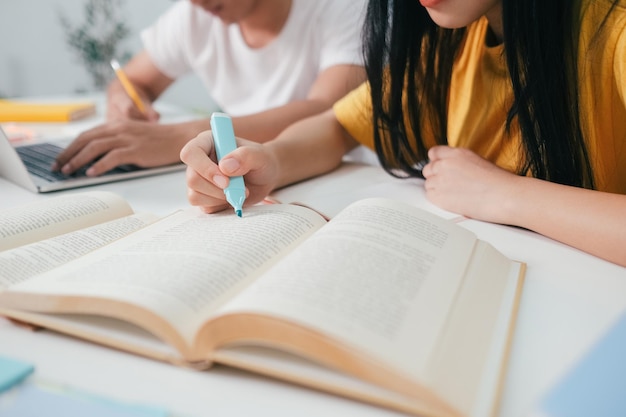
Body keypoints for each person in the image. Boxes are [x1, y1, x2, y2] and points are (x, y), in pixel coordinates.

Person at [180, 0, 626, 267]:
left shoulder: (614, 31)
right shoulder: (453, 40)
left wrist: (508, 196)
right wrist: (269, 161)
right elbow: (339, 126)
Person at [52, 0, 367, 177]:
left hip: (341, 175)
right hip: (248, 173)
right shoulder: (196, 15)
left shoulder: (344, 8)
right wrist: (125, 102)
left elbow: (330, 110)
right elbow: (131, 80)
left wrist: (182, 137)